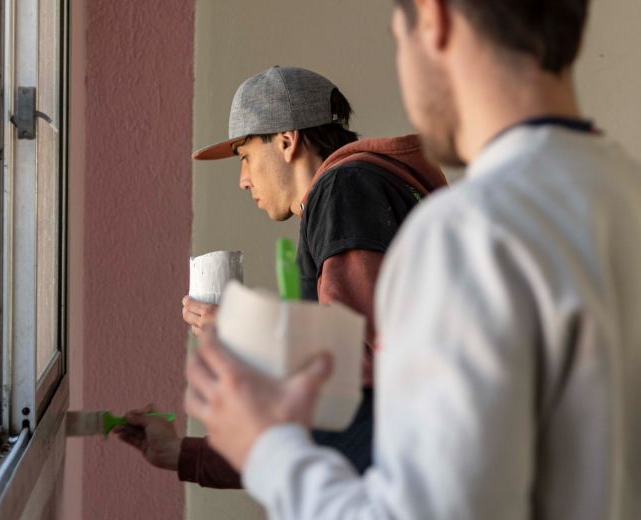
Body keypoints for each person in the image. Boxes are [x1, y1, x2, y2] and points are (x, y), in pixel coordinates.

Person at [184, 1, 641, 519]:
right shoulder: (621, 191)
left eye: (397, 37)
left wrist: (266, 449)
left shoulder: (466, 233)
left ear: (434, 18)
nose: (244, 178)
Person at [117, 66, 446, 488]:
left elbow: (357, 370)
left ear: (287, 141)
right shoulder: (362, 190)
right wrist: (186, 454)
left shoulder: (345, 189)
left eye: (245, 156)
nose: (243, 180)